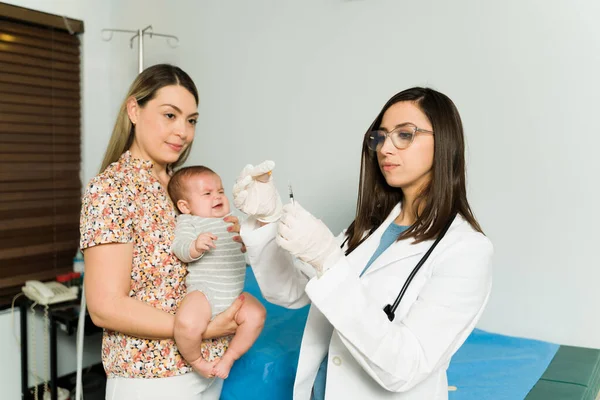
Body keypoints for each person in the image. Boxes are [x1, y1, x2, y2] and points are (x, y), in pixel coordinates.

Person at [233, 87, 494, 400]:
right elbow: (289, 292)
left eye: (405, 135)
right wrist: (267, 219)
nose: (385, 148)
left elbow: (404, 368)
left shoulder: (466, 250)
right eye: (380, 136)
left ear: (445, 144)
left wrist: (327, 261)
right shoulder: (368, 230)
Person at [80, 64, 257, 400]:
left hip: (208, 367)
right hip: (151, 378)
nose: (183, 132)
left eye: (191, 120)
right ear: (134, 110)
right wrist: (202, 329)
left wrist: (233, 238)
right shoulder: (112, 190)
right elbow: (105, 306)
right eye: (170, 115)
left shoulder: (183, 187)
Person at [167, 166, 266, 379]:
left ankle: (229, 358)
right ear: (185, 206)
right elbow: (179, 247)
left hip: (234, 295)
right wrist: (195, 246)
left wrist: (245, 240)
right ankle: (196, 361)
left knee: (257, 314)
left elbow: (243, 251)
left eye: (220, 191)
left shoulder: (231, 221)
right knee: (186, 323)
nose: (217, 196)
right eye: (207, 193)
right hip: (206, 292)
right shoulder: (190, 221)